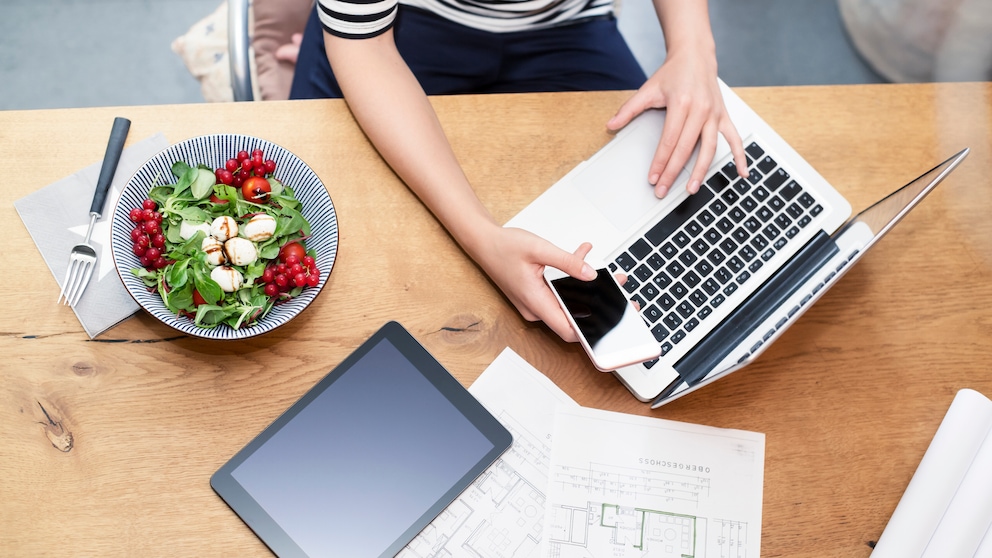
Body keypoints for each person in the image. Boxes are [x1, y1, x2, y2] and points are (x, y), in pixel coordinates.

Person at [289, 0, 747, 343]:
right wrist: (483, 239)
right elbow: (364, 46)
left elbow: (692, 49)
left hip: (568, 26)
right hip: (399, 33)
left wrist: (692, 49)